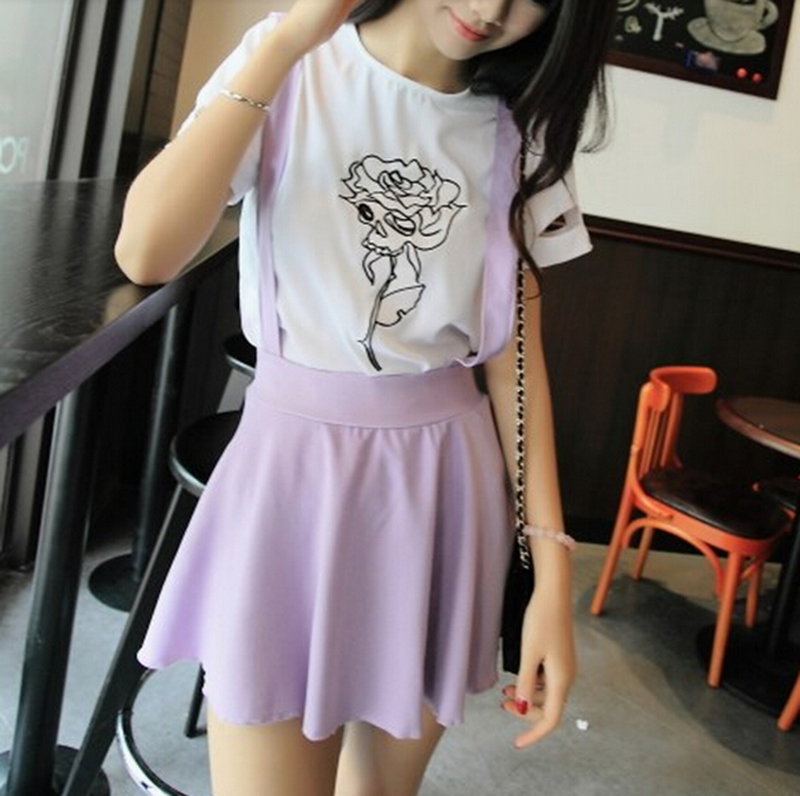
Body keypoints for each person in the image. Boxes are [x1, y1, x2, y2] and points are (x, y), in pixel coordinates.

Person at [115, 2, 614, 794]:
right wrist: (286, 41)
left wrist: (553, 569)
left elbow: (515, 361)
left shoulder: (520, 128)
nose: (492, 8)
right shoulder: (292, 63)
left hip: (445, 487)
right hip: (291, 479)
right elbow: (146, 252)